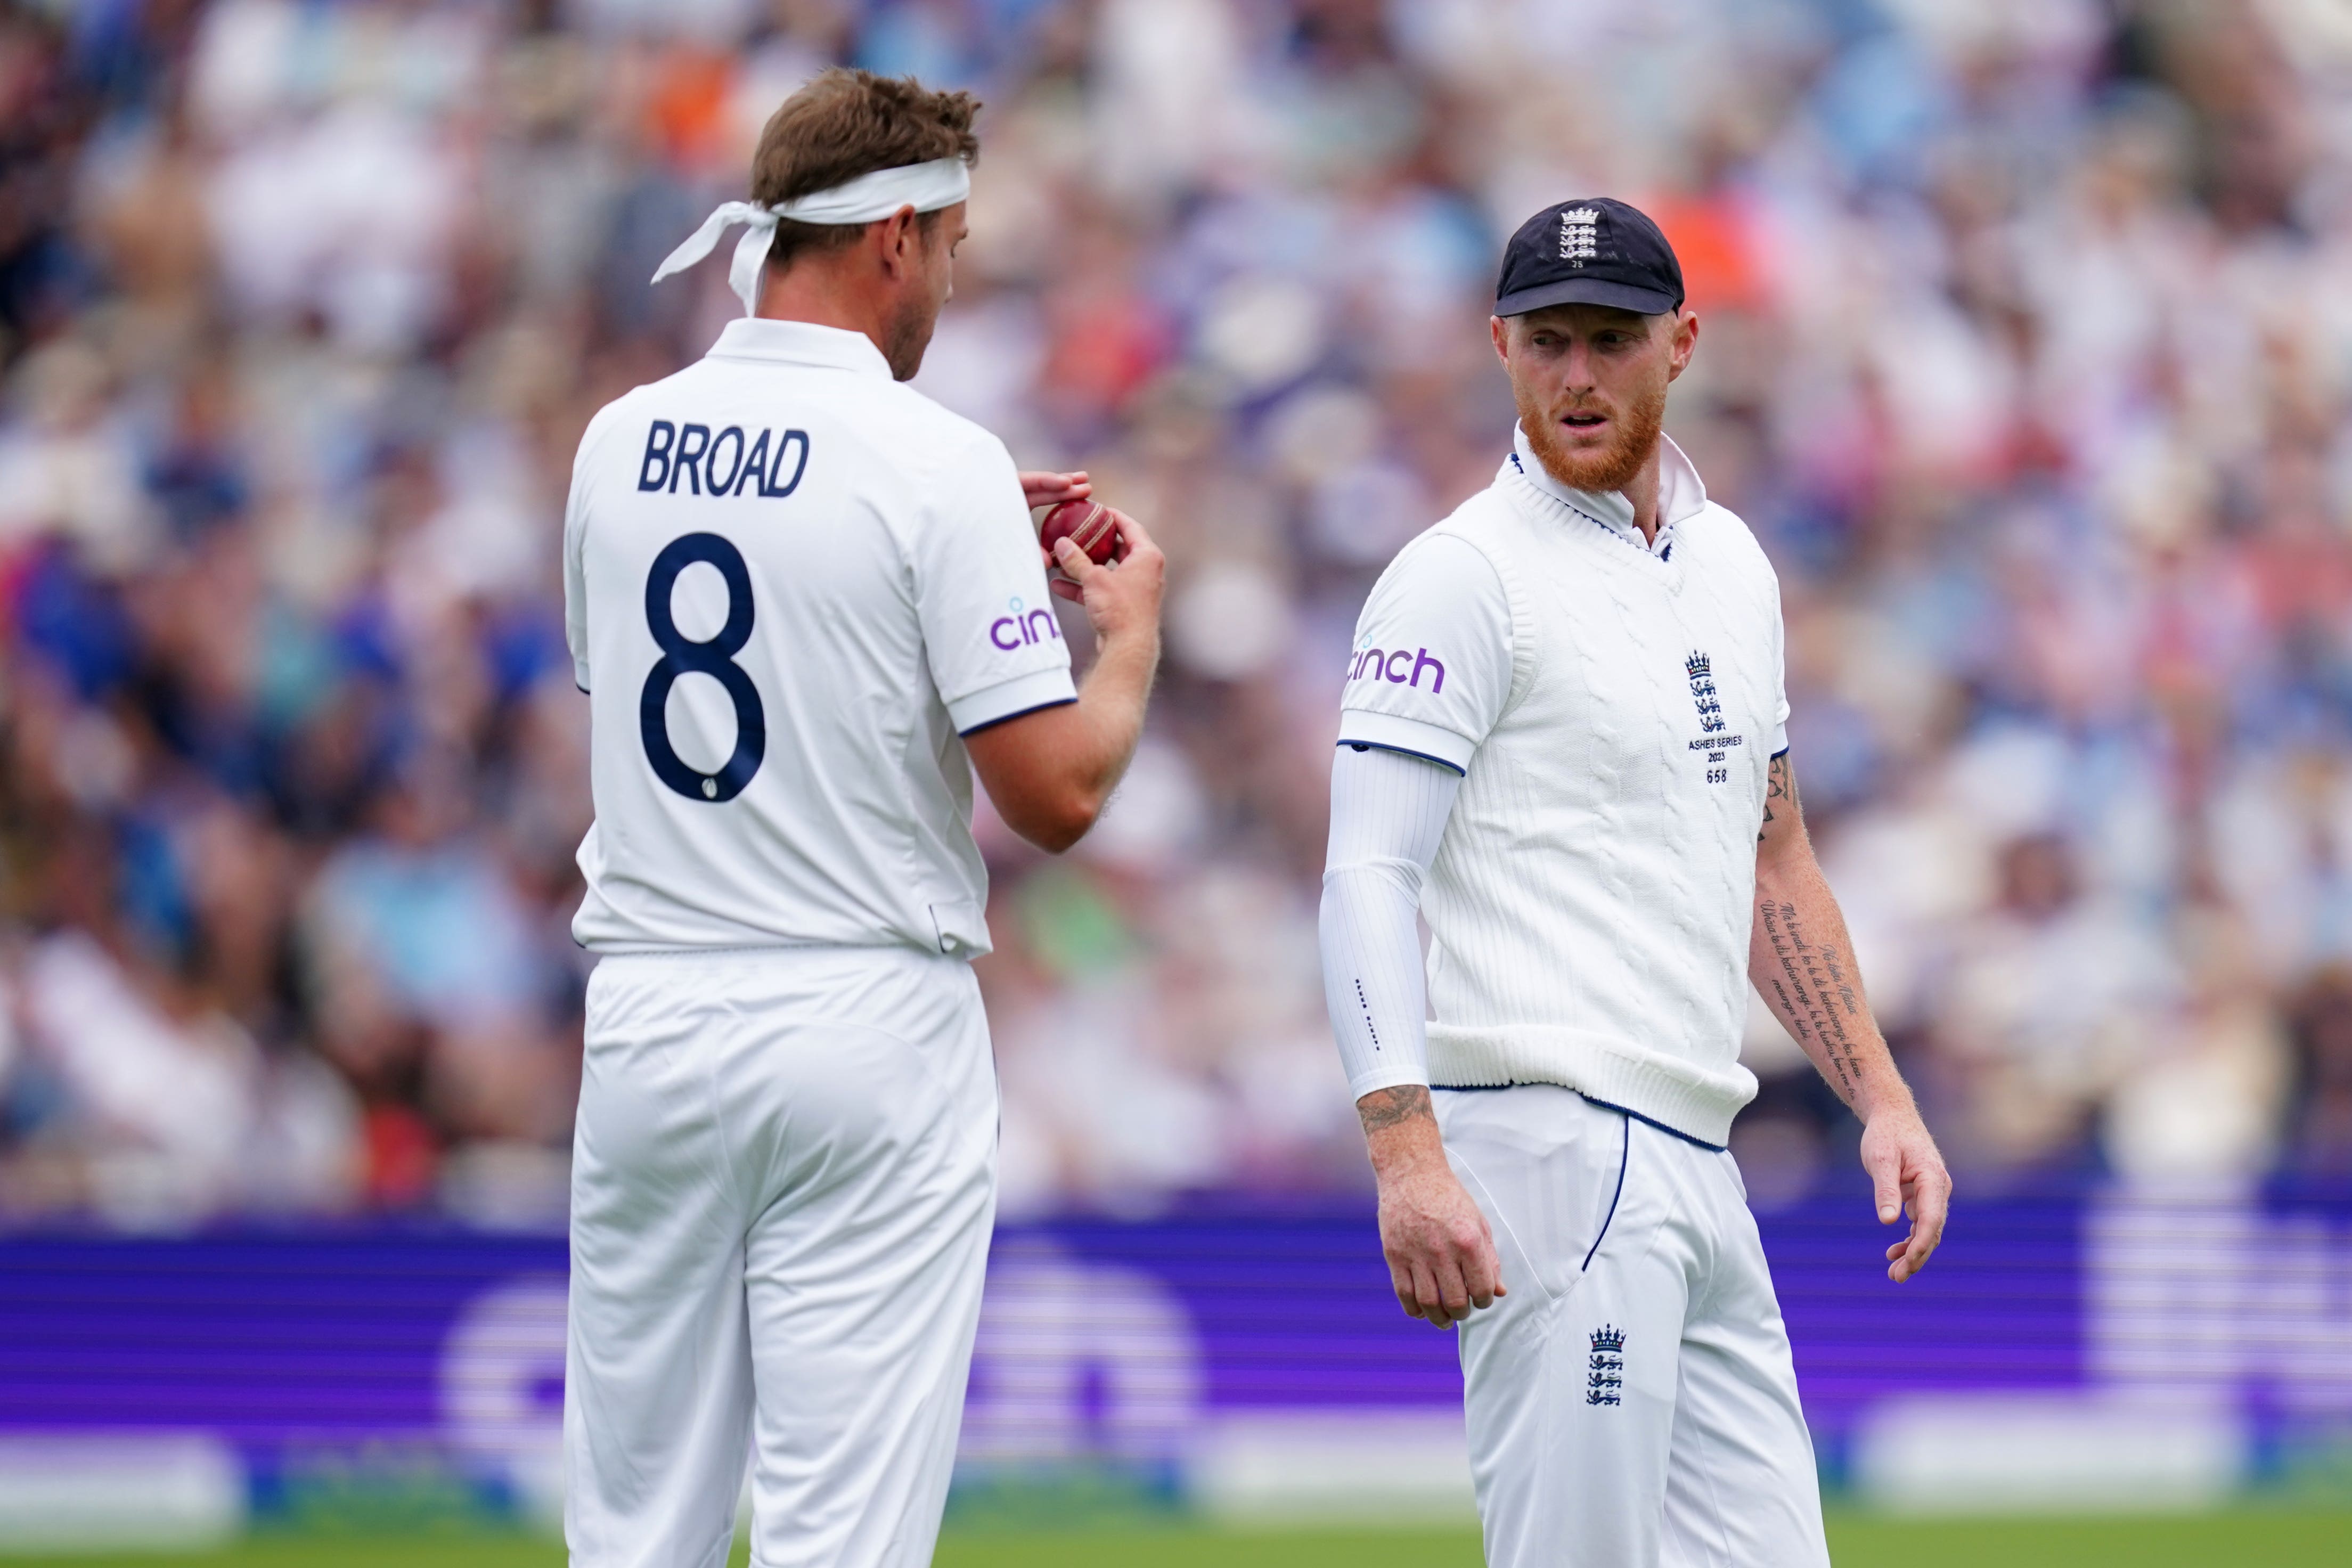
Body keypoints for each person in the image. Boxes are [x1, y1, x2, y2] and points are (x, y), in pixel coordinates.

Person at [558, 69, 1164, 1568]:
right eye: (952, 247)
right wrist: (1133, 636)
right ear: (893, 235)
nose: (952, 283)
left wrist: (938, 548)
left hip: (649, 1013)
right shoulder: (933, 458)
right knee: (845, 1540)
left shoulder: (617, 438)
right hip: (858, 1017)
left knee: (636, 1532)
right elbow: (1059, 796)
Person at [1318, 198, 1951, 1566]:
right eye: (1549, 342)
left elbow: (1770, 857)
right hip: (1549, 1142)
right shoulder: (1459, 577)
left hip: (1695, 1149)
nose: (1579, 376)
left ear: (1684, 342)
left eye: (1613, 340)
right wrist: (1403, 1148)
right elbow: (1367, 871)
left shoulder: (1731, 566)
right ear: (1499, 345)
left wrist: (1881, 1093)